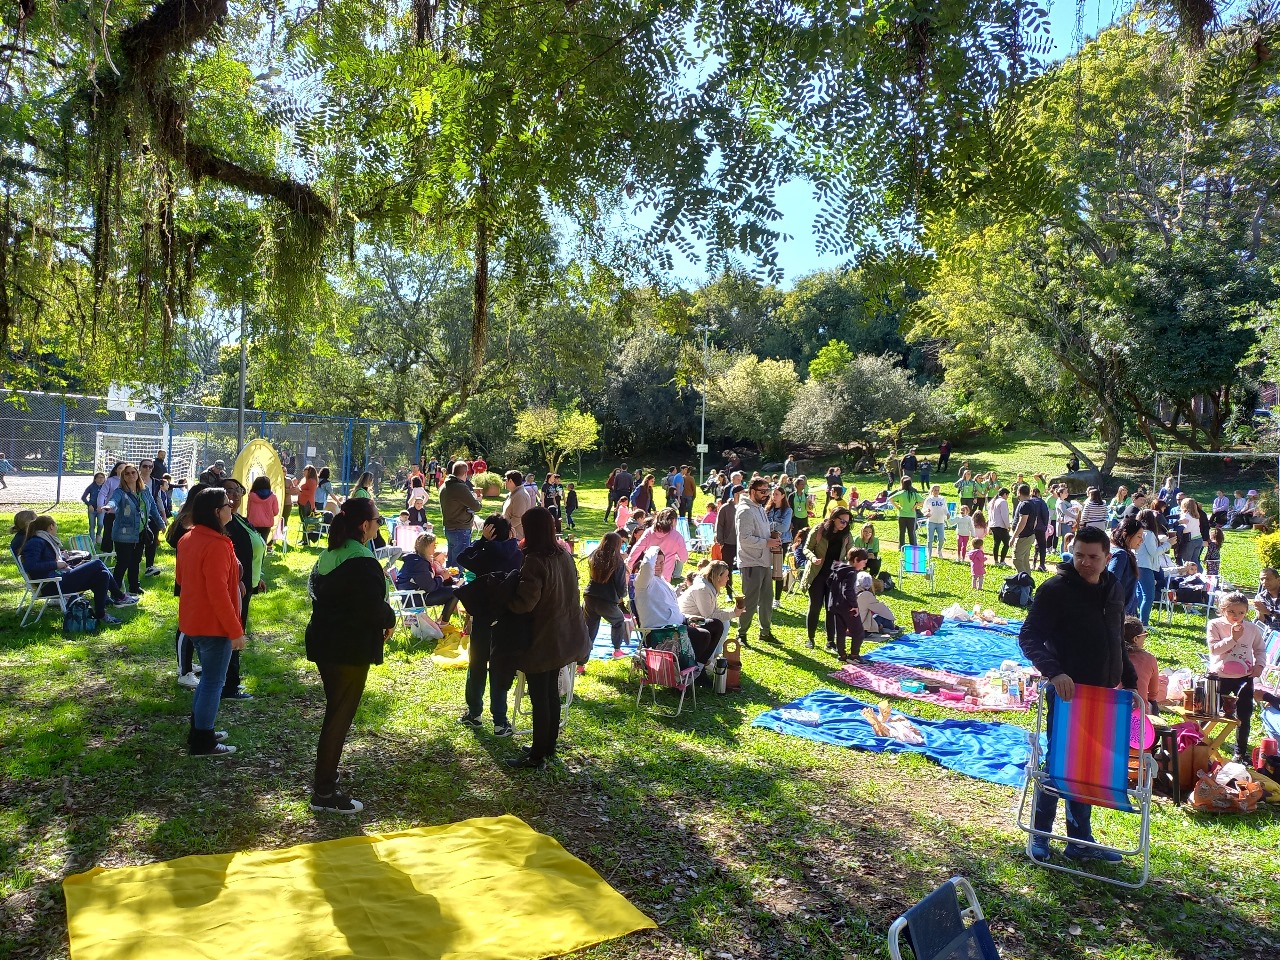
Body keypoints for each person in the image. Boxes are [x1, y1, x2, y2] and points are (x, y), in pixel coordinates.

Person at [1019, 524, 1136, 862]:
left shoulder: (1114, 587)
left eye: (1093, 557)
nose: (1085, 562)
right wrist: (1054, 672)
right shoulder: (1055, 590)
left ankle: (1079, 840)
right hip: (1069, 694)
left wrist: (1128, 678)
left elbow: (1116, 637)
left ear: (1107, 558)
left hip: (1105, 694)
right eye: (1079, 555)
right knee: (1059, 763)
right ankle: (1040, 834)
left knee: (1088, 767)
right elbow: (1029, 636)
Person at [305, 497, 395, 811]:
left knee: (336, 712)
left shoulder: (328, 554)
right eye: (378, 520)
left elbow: (328, 596)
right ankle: (325, 793)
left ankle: (326, 780)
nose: (380, 524)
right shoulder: (362, 562)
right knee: (338, 718)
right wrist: (390, 619)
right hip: (346, 650)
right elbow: (370, 608)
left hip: (325, 643)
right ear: (364, 525)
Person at [501, 507, 590, 769]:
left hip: (544, 636)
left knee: (540, 696)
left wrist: (505, 597)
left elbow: (525, 603)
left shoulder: (536, 560)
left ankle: (537, 755)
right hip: (563, 635)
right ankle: (547, 745)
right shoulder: (563, 554)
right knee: (550, 691)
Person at [176, 488, 247, 758]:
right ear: (216, 512)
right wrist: (234, 631)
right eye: (227, 504)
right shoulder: (216, 544)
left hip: (194, 621)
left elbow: (182, 579)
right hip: (213, 625)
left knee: (208, 680)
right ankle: (203, 741)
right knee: (213, 682)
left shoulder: (189, 538)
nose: (232, 507)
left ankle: (199, 729)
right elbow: (218, 593)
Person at [19, 515, 135, 625]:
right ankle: (119, 596)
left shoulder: (45, 540)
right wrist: (56, 564)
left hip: (58, 580)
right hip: (51, 584)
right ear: (51, 526)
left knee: (102, 574)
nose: (56, 527)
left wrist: (62, 559)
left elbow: (45, 560)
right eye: (56, 525)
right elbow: (30, 566)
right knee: (97, 563)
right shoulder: (36, 542)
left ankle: (101, 614)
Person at [1207, 592, 1267, 762]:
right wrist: (1233, 638)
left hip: (1244, 676)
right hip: (1220, 675)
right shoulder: (1215, 625)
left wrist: (1259, 665)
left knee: (1244, 714)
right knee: (1211, 711)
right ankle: (1199, 741)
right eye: (1232, 612)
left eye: (1241, 612)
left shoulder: (1252, 628)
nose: (1237, 616)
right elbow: (1214, 649)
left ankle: (1239, 752)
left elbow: (1260, 649)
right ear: (1223, 610)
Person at [109, 463, 165, 596]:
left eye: (133, 472)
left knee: (135, 561)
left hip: (140, 533)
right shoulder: (120, 492)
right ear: (123, 477)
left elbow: (153, 509)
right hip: (123, 535)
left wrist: (161, 523)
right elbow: (113, 501)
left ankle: (134, 587)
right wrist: (108, 506)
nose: (130, 475)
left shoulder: (145, 491)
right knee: (123, 562)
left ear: (137, 474)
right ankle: (115, 592)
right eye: (127, 473)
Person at [736, 478, 780, 646]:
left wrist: (772, 536)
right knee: (750, 601)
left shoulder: (759, 508)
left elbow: (761, 532)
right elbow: (744, 538)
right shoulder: (745, 510)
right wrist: (766, 542)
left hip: (764, 560)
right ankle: (742, 634)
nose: (766, 495)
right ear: (752, 491)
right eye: (762, 491)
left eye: (767, 491)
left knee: (767, 600)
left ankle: (765, 632)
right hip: (751, 562)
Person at [801, 508, 853, 650]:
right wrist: (813, 558)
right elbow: (806, 548)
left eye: (847, 522)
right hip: (817, 573)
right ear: (833, 518)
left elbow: (850, 553)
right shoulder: (819, 529)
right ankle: (810, 638)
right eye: (842, 521)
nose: (844, 524)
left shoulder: (847, 535)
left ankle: (830, 641)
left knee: (831, 609)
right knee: (815, 606)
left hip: (835, 576)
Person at [678, 559, 742, 665]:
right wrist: (733, 613)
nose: (728, 578)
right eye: (726, 576)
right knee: (718, 624)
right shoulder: (703, 589)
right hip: (686, 620)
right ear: (718, 577)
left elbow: (713, 610)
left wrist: (732, 612)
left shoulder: (709, 586)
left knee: (725, 622)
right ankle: (707, 661)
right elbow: (709, 616)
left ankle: (714, 656)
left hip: (696, 616)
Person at [584, 532, 630, 657]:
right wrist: (624, 595)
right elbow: (620, 585)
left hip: (590, 596)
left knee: (589, 629)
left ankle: (581, 663)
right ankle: (617, 650)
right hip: (606, 600)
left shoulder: (594, 556)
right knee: (619, 620)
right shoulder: (618, 562)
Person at [396, 532, 460, 621]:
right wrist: (442, 577)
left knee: (455, 586)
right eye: (433, 545)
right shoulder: (418, 563)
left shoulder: (418, 559)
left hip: (417, 593)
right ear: (426, 547)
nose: (435, 547)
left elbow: (427, 581)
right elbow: (429, 586)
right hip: (415, 597)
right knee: (455, 591)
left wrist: (444, 577)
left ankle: (443, 620)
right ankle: (443, 622)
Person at [440, 460, 485, 566]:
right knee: (458, 564)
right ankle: (456, 582)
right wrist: (478, 500)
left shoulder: (445, 485)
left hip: (449, 527)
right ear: (465, 473)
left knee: (451, 562)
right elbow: (476, 506)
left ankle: (450, 581)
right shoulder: (459, 487)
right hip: (460, 529)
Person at [629, 507, 690, 581]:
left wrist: (629, 565)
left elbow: (637, 549)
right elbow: (684, 558)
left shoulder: (649, 532)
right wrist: (675, 556)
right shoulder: (677, 537)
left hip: (648, 571)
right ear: (673, 520)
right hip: (665, 576)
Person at [1135, 509, 1168, 626]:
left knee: (1140, 594)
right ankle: (1144, 623)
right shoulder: (1148, 534)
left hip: (1137, 564)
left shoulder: (1138, 533)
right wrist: (1168, 544)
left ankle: (1138, 620)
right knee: (1149, 595)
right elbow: (1153, 552)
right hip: (1145, 566)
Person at [1107, 517, 1144, 617]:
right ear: (1125, 534)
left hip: (1127, 611)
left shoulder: (1123, 552)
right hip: (1120, 613)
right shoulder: (1120, 554)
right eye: (1139, 536)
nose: (1142, 540)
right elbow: (1111, 583)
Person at [1123, 617, 1161, 715]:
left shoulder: (1110, 656)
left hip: (1109, 712)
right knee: (1153, 704)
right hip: (1138, 717)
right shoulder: (1149, 659)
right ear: (1135, 639)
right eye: (1145, 635)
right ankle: (1153, 729)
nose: (1145, 638)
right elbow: (1153, 695)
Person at [765, 486, 793, 606]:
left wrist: (771, 525)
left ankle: (777, 599)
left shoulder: (787, 511)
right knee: (766, 568)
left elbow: (785, 527)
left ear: (782, 496)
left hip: (782, 542)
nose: (774, 496)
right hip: (768, 540)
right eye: (773, 494)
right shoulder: (767, 509)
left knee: (778, 569)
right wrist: (775, 524)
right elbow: (762, 524)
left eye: (777, 494)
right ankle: (767, 596)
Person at [714, 485, 741, 600]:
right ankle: (729, 592)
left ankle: (746, 593)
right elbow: (719, 525)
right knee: (727, 569)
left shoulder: (745, 507)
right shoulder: (725, 508)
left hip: (742, 543)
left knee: (744, 568)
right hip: (728, 543)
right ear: (736, 494)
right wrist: (721, 541)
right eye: (742, 493)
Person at [856, 571, 899, 636]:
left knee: (874, 616)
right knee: (881, 617)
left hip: (847, 625)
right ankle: (890, 627)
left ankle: (881, 627)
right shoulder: (866, 595)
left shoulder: (850, 591)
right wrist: (891, 619)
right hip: (861, 629)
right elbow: (881, 609)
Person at [1010, 484, 1039, 576]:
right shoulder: (1033, 503)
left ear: (1019, 492)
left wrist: (1014, 536)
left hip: (1024, 536)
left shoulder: (1024, 504)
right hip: (1030, 535)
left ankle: (1023, 582)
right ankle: (1028, 583)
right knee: (1025, 561)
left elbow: (1022, 522)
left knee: (1017, 560)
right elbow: (1035, 520)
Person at [888, 477, 923, 547]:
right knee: (911, 532)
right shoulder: (914, 494)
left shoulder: (900, 493)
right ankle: (913, 546)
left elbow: (890, 499)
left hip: (902, 515)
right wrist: (915, 506)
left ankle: (901, 546)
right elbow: (923, 501)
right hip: (911, 516)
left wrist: (897, 506)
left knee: (902, 532)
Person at [246, 476, 280, 541]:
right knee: (263, 542)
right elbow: (276, 512)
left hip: (253, 522)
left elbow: (248, 510)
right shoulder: (273, 496)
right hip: (267, 524)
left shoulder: (251, 496)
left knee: (254, 543)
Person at [1178, 497, 1208, 567]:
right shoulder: (1196, 516)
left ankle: (1187, 575)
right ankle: (1199, 573)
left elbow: (1186, 529)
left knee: (1187, 561)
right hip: (1199, 539)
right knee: (1195, 560)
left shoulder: (1185, 515)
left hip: (1190, 540)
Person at [923, 484, 948, 559]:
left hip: (940, 522)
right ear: (932, 490)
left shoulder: (942, 499)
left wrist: (948, 513)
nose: (936, 491)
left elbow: (945, 508)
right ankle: (929, 553)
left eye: (938, 490)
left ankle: (939, 550)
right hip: (931, 521)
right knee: (930, 539)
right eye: (935, 490)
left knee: (941, 539)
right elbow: (924, 509)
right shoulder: (929, 499)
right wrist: (926, 513)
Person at [82, 472, 106, 545]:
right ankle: (92, 540)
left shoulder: (105, 487)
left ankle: (98, 535)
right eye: (99, 477)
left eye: (102, 477)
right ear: (95, 479)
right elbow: (83, 497)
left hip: (101, 509)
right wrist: (89, 505)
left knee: (100, 524)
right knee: (92, 525)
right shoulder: (91, 487)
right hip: (92, 509)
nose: (101, 479)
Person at [988, 487, 1011, 566]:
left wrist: (989, 525)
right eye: (1007, 495)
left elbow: (989, 515)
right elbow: (1004, 515)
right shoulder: (1003, 502)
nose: (1007, 498)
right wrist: (1008, 525)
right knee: (1006, 543)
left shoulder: (992, 502)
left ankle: (996, 561)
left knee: (996, 543)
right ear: (1005, 494)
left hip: (993, 525)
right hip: (1001, 525)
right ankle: (1002, 561)